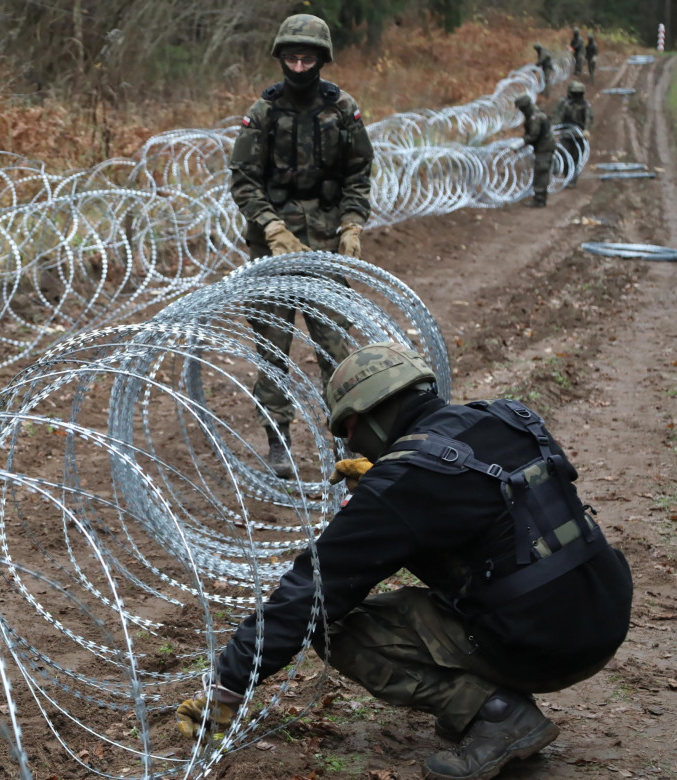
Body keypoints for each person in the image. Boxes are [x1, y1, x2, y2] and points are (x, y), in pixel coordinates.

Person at [177, 342, 633, 780]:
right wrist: (391, 491)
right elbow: (487, 512)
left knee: (337, 628)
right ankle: (496, 687)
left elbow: (313, 589)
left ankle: (495, 712)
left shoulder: (403, 484)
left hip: (547, 646)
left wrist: (229, 682)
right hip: (606, 610)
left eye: (349, 429)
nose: (351, 446)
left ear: (369, 415)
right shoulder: (506, 416)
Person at [228, 13, 374, 477]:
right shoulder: (265, 111)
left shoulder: (342, 108)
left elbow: (359, 173)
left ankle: (344, 442)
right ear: (280, 58)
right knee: (273, 347)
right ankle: (278, 442)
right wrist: (271, 228)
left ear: (321, 59)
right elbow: (244, 180)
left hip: (325, 244)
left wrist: (352, 223)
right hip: (273, 250)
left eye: (306, 57)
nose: (297, 64)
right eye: (290, 56)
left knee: (334, 347)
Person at [515, 94, 556, 207]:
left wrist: (521, 143)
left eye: (521, 108)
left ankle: (539, 199)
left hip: (544, 148)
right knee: (541, 171)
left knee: (541, 172)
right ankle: (540, 198)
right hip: (542, 147)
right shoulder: (534, 114)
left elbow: (533, 135)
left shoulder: (535, 117)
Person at [553, 82, 594, 188]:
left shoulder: (585, 104)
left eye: (579, 93)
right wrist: (555, 128)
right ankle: (568, 175)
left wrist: (586, 129)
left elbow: (589, 117)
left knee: (577, 158)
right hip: (565, 134)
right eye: (575, 93)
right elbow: (557, 115)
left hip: (579, 135)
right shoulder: (563, 103)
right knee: (565, 156)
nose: (577, 95)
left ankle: (573, 180)